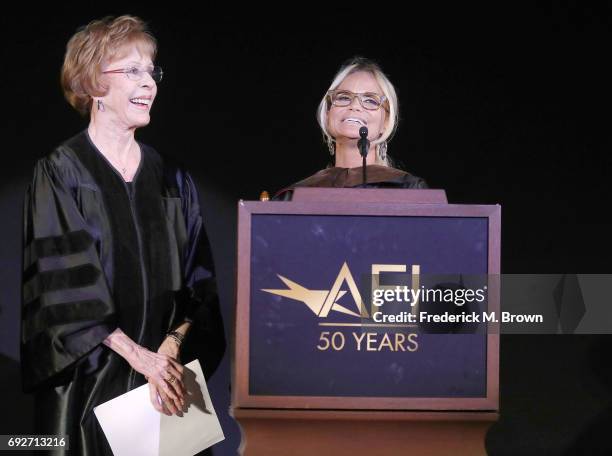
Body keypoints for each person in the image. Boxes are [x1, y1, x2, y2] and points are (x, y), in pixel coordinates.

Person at [20, 15, 224, 455]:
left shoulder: (172, 178)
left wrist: (169, 349)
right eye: (132, 70)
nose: (149, 82)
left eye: (152, 71)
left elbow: (199, 278)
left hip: (166, 383)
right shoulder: (61, 172)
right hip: (90, 385)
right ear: (93, 84)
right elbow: (62, 291)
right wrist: (139, 357)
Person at [274, 57, 427, 200]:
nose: (354, 106)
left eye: (370, 100)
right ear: (328, 114)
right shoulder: (295, 196)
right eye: (343, 97)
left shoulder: (407, 190)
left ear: (386, 122)